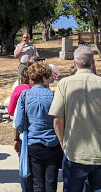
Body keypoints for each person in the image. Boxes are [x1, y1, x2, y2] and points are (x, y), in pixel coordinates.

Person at [49, 46, 101, 192]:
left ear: (74, 62)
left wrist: (63, 144)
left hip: (74, 153)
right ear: (93, 63)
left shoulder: (64, 84)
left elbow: (57, 120)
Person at [15, 63, 62, 192]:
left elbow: (18, 122)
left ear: (31, 79)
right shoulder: (54, 96)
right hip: (52, 143)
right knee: (51, 183)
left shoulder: (25, 95)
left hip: (33, 143)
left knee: (36, 184)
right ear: (46, 77)